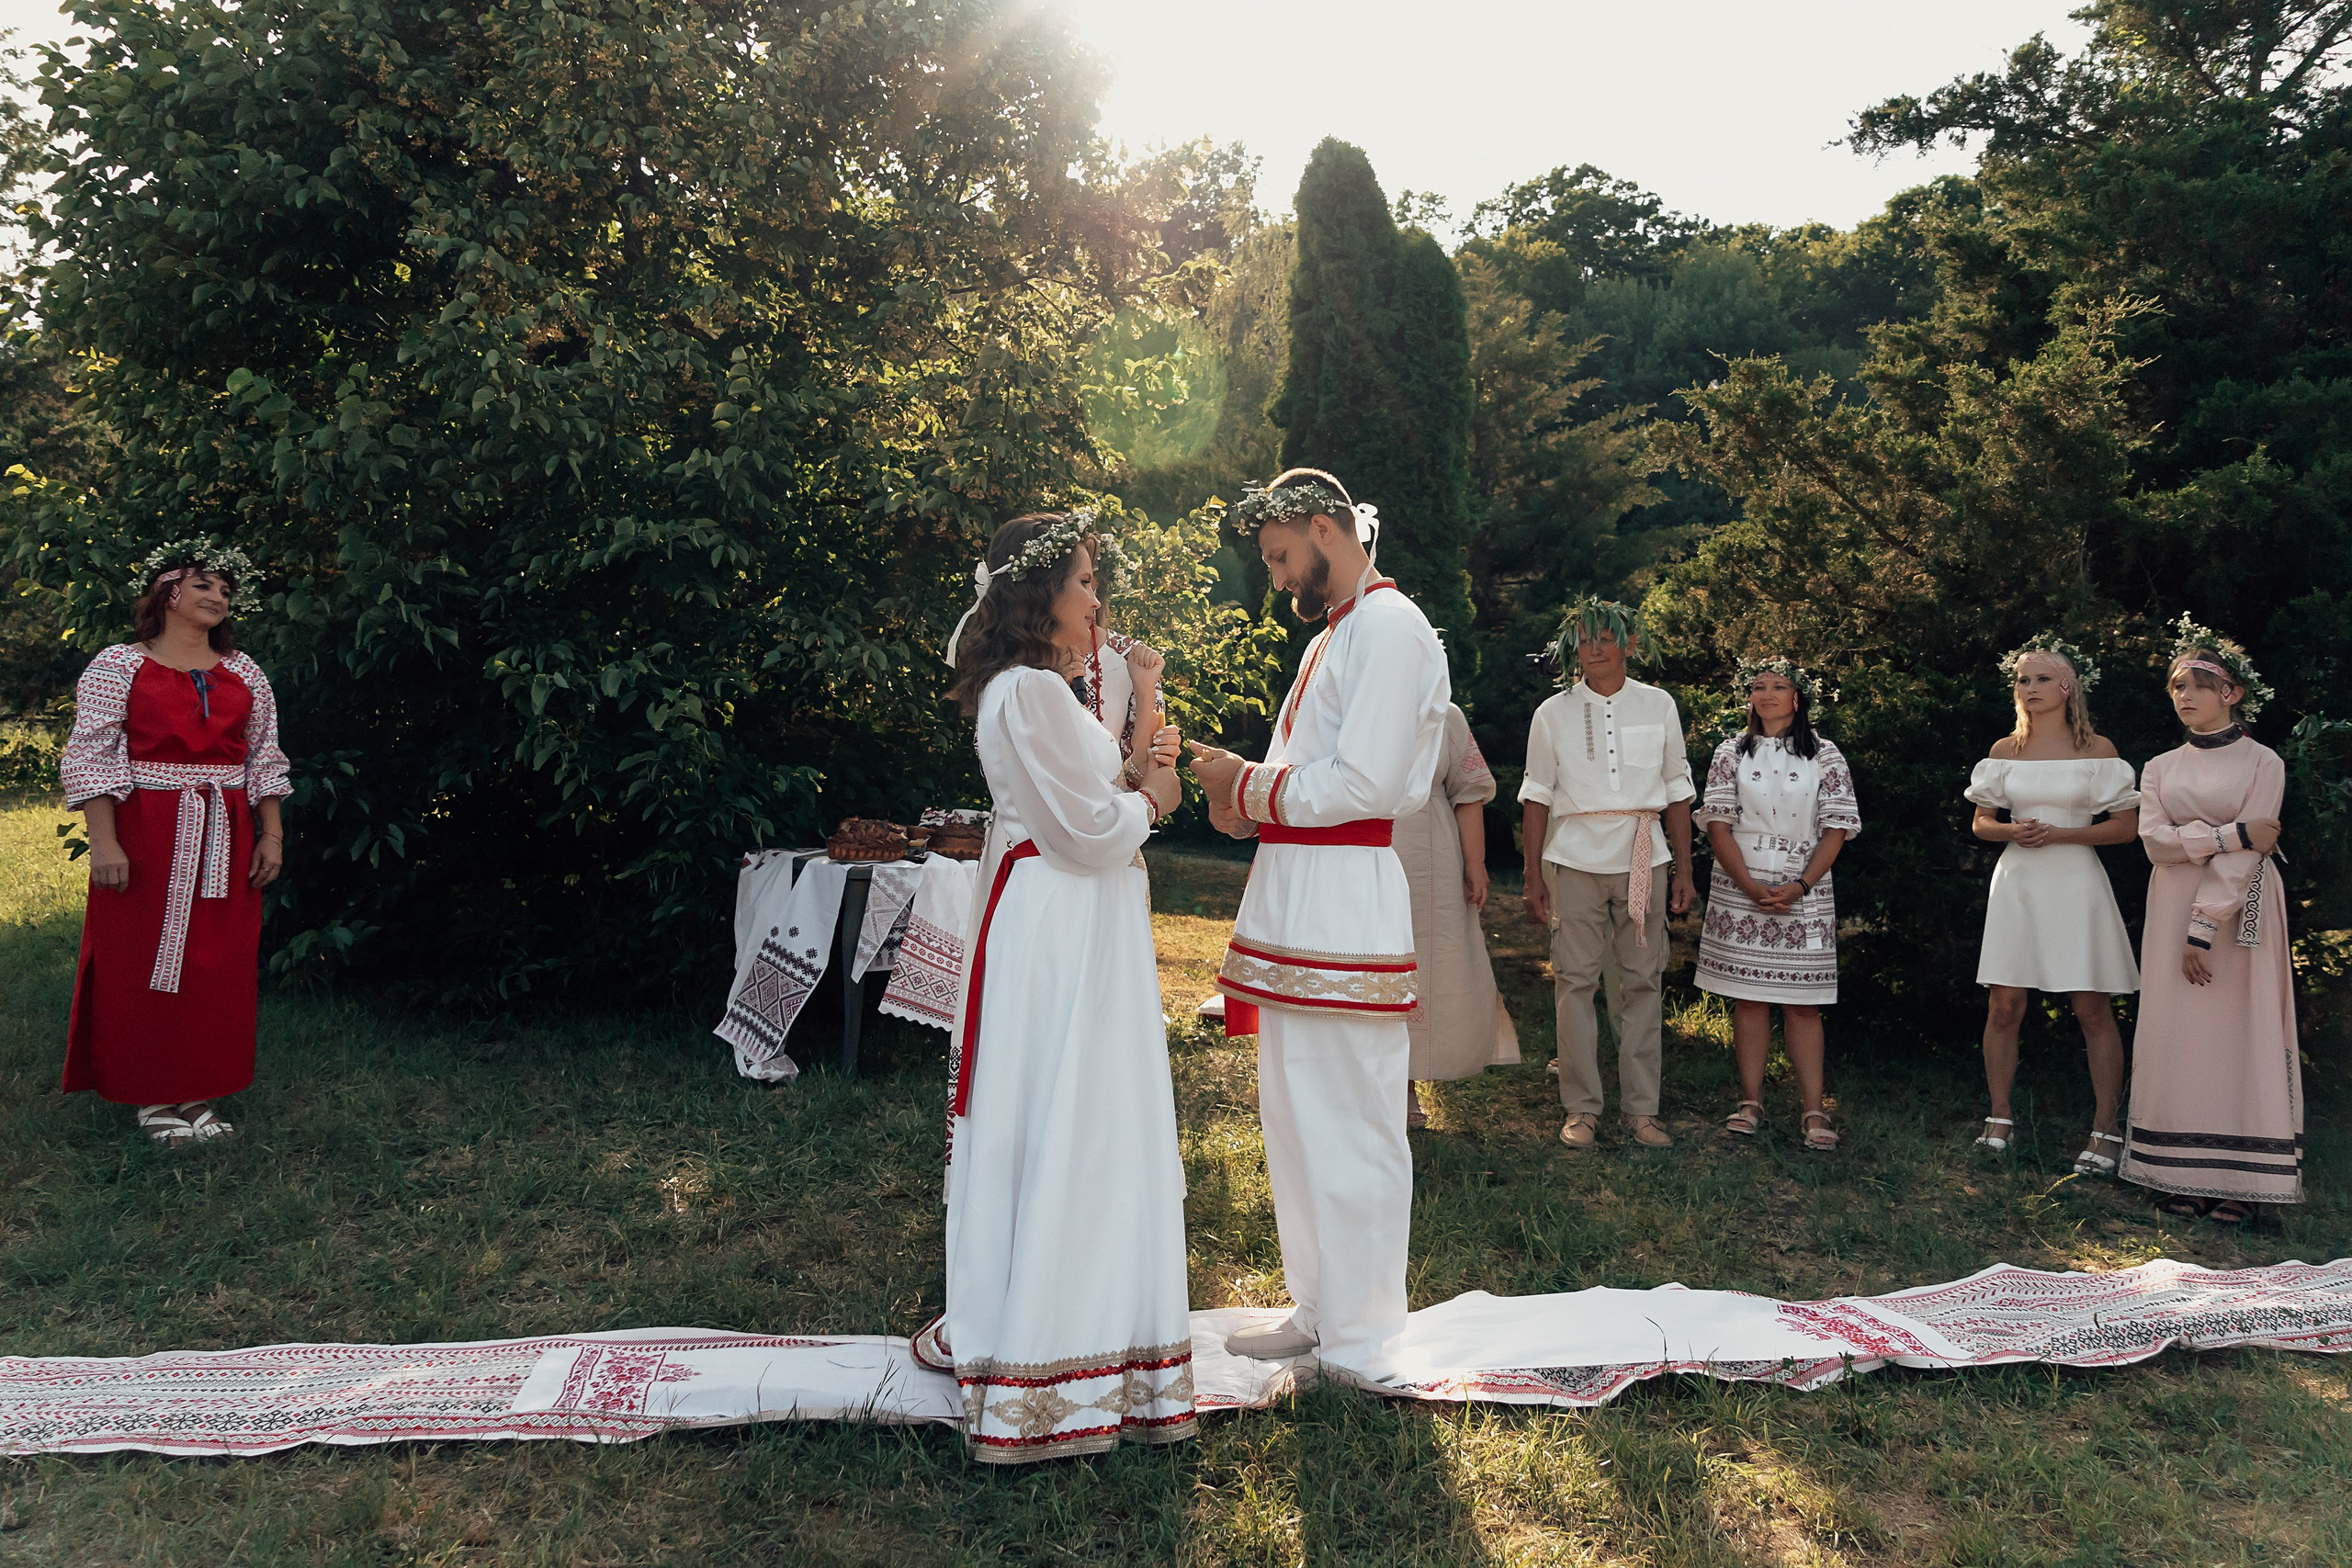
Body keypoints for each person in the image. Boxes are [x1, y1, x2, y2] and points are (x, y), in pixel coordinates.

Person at [910, 511, 1194, 1462]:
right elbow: (1091, 824)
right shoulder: (1028, 691)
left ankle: (1088, 1329)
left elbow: (1096, 782)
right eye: (1083, 582)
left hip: (1075, 917)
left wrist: (1141, 716)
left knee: (1088, 1114)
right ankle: (1051, 1349)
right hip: (1064, 919)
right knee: (1073, 1113)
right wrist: (1154, 801)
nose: (1096, 598)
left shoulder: (1032, 691)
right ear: (1039, 596)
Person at [1186, 468, 1449, 1382]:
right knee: (1294, 1115)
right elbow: (1312, 769)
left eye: (1281, 555)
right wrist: (1242, 794)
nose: (1278, 575)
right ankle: (1318, 1305)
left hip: (1346, 902)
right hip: (1296, 892)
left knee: (1354, 1118)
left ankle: (1367, 1336)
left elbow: (1369, 785)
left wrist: (1246, 785)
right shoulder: (1332, 636)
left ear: (1324, 528)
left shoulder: (1389, 627)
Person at [58, 543, 289, 1145]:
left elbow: (263, 757)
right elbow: (91, 756)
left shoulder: (244, 672)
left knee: (217, 962)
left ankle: (195, 1090)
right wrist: (104, 842)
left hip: (227, 832)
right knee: (141, 958)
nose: (218, 597)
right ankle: (151, 1094)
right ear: (168, 593)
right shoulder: (118, 665)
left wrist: (272, 833)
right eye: (205, 585)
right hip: (148, 830)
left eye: (225, 591)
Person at [2120, 619, 2298, 1224]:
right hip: (2170, 902)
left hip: (2237, 908)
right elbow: (2155, 845)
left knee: (2238, 1031)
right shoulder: (2160, 767)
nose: (2184, 696)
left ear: (2232, 694)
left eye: (2197, 685)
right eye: (2176, 687)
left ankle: (2243, 1182)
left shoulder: (2263, 761)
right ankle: (2181, 1174)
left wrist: (2204, 924)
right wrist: (2230, 832)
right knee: (2179, 1033)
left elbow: (2252, 849)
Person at [1518, 598, 1697, 1151]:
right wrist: (1532, 875)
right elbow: (1536, 796)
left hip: (1646, 856)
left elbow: (1676, 791)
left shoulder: (1658, 704)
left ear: (1630, 644)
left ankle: (1643, 1111)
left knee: (1643, 982)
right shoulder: (1552, 713)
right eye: (1585, 638)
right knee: (1574, 982)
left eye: (1606, 636)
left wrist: (1686, 869)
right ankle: (1581, 1108)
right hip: (1574, 860)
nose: (1594, 647)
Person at [1963, 636, 2142, 1172]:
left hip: (2075, 881)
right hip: (2018, 882)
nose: (2030, 688)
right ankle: (1999, 1119)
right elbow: (1981, 822)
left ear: (2067, 688)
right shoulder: (2002, 752)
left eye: (2041, 679)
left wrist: (2062, 835)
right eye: (2023, 680)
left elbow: (2125, 829)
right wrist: (2011, 829)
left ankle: (2107, 1128)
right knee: (2004, 1006)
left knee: (2091, 1007)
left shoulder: (2099, 752)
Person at [1693, 660, 1860, 1151]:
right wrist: (1747, 885)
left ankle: (1813, 1108)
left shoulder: (1826, 755)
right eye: (1758, 687)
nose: (1767, 694)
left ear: (1797, 698)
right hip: (1739, 885)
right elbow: (1718, 822)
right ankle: (1750, 1101)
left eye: (1778, 686)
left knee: (1803, 1004)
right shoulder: (1730, 751)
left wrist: (1802, 885)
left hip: (1803, 889)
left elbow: (1836, 828)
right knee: (1749, 999)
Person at [1396, 703, 1519, 1127]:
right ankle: (1368, 1083)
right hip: (1359, 847)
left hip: (1431, 857)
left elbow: (1468, 792)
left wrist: (1476, 864)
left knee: (1427, 962)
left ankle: (1407, 1085)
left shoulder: (1444, 715)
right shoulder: (1349, 702)